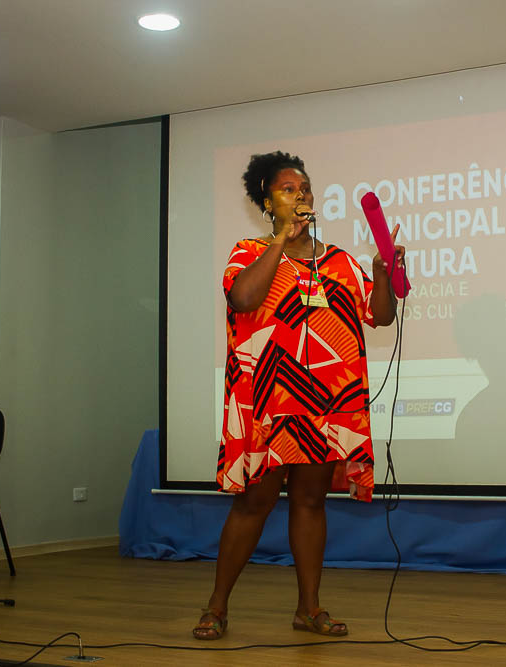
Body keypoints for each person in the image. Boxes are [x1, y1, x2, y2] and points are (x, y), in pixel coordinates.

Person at [193, 151, 404, 640]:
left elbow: (382, 315)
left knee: (311, 502)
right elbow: (243, 299)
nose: (301, 193)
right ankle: (216, 606)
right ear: (267, 202)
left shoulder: (340, 262)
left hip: (326, 404)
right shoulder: (248, 251)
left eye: (305, 186)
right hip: (271, 403)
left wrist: (383, 272)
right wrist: (281, 243)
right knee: (254, 504)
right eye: (288, 189)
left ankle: (309, 609)